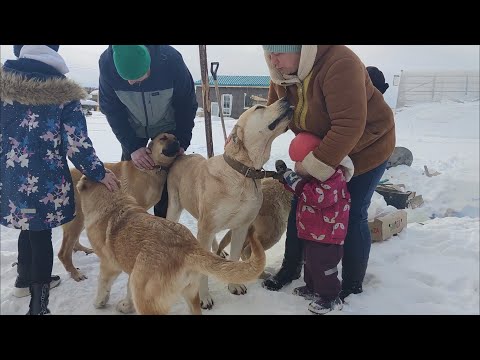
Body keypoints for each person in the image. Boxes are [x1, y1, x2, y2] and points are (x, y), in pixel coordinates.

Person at [261, 45, 396, 302]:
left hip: (366, 147)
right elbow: (272, 117)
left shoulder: (339, 63)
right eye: (268, 53)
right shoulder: (279, 73)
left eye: (278, 53)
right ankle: (290, 268)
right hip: (319, 146)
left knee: (352, 211)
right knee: (302, 204)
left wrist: (311, 165)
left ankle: (352, 284)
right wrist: (246, 141)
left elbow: (348, 126)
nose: (272, 60)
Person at [1, 45, 119, 315]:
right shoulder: (62, 92)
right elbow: (76, 143)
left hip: (11, 179)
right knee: (40, 232)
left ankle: (23, 281)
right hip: (46, 183)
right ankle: (38, 306)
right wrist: (99, 172)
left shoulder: (3, 87)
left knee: (27, 226)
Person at [98, 45, 198, 218]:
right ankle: (128, 225)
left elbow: (186, 105)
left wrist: (181, 140)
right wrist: (132, 146)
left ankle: (161, 227)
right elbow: (111, 109)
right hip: (132, 127)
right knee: (129, 180)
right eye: (126, 78)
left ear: (149, 61)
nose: (130, 83)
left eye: (137, 78)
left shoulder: (171, 60)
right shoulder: (107, 63)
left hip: (166, 124)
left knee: (166, 182)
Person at [274, 132, 354, 314]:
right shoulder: (314, 176)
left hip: (328, 236)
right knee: (310, 262)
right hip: (313, 231)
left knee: (323, 266)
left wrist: (294, 181)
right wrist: (286, 178)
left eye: (298, 162)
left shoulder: (334, 177)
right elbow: (301, 189)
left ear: (313, 161)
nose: (296, 167)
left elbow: (316, 197)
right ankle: (312, 288)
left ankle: (330, 297)